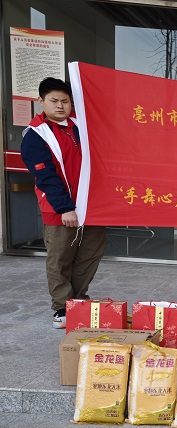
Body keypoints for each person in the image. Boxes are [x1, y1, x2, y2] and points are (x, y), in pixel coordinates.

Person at [20, 77, 106, 329]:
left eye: (65, 101)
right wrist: (65, 207)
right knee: (60, 258)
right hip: (60, 209)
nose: (60, 106)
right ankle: (61, 308)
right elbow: (45, 175)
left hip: (91, 205)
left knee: (89, 255)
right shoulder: (35, 135)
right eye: (54, 100)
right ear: (41, 101)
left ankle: (77, 302)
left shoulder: (82, 125)